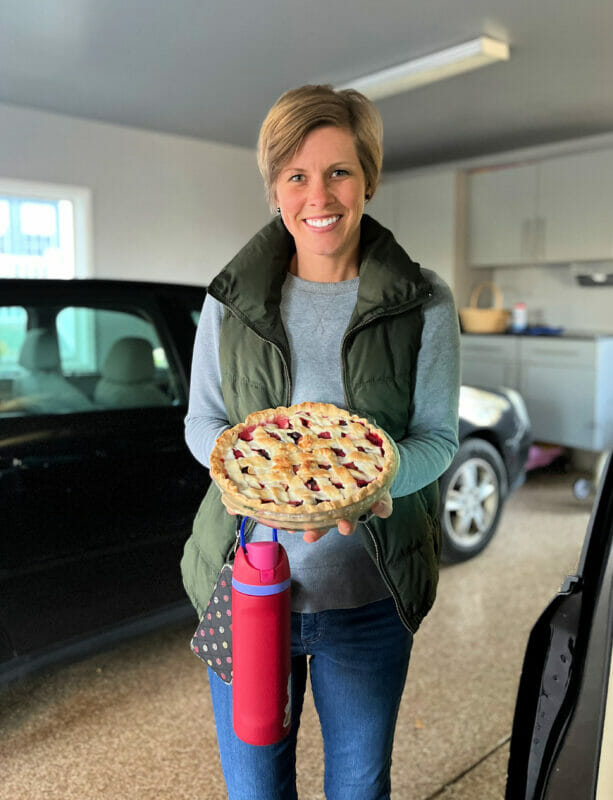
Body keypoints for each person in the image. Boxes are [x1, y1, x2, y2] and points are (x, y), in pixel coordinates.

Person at [181, 84, 460, 800]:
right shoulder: (230, 300)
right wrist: (269, 493)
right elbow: (204, 423)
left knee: (359, 789)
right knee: (255, 790)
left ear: (368, 176)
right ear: (275, 187)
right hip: (247, 586)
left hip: (366, 599)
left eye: (339, 171)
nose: (319, 195)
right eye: (296, 175)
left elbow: (434, 439)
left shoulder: (422, 301)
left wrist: (374, 484)